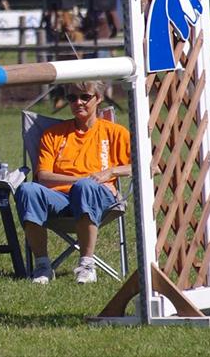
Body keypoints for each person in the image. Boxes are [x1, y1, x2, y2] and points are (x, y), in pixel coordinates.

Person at [13, 80, 131, 284]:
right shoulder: (53, 134)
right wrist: (81, 179)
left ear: (99, 99)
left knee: (84, 187)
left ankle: (86, 264)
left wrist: (110, 171)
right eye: (72, 97)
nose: (78, 102)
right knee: (27, 190)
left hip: (99, 196)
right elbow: (44, 176)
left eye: (85, 96)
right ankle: (42, 266)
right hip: (59, 198)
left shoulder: (114, 132)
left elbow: (148, 165)